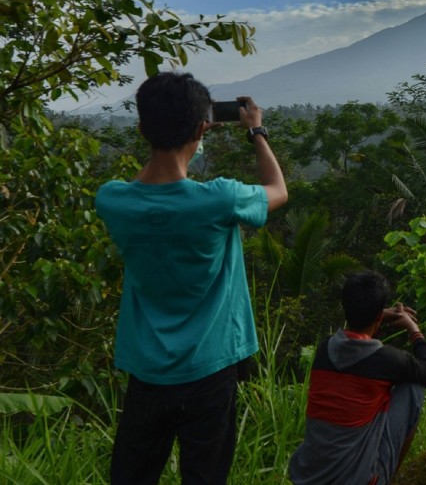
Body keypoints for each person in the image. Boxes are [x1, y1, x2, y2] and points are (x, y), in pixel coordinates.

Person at [95, 72, 288, 484]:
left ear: (142, 127)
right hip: (210, 369)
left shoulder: (112, 200)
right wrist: (256, 130)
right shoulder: (219, 199)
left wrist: (192, 133)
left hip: (147, 371)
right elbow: (277, 189)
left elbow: (151, 191)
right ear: (204, 127)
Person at [288, 270, 426, 485]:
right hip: (359, 480)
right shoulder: (388, 360)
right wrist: (412, 328)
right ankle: (389, 478)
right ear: (378, 316)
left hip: (308, 476)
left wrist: (380, 314)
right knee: (415, 385)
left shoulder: (325, 349)